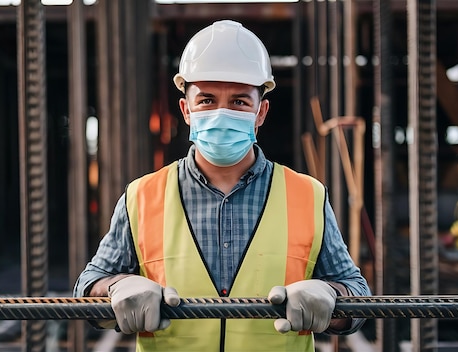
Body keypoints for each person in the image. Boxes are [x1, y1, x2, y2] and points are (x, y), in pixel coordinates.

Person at [74, 19, 370, 351]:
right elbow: (87, 288)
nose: (222, 113)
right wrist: (116, 286)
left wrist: (332, 297)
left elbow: (356, 294)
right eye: (207, 100)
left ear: (261, 112)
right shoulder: (142, 196)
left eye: (240, 102)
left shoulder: (308, 195)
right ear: (186, 109)